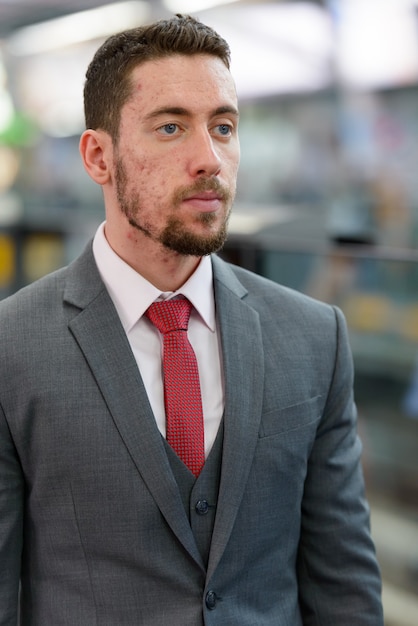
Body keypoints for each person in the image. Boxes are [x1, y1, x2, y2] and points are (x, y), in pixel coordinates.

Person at [0, 14, 384, 626]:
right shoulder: (12, 348)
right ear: (99, 156)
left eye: (224, 127)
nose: (210, 158)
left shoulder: (314, 338)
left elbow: (344, 588)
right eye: (172, 127)